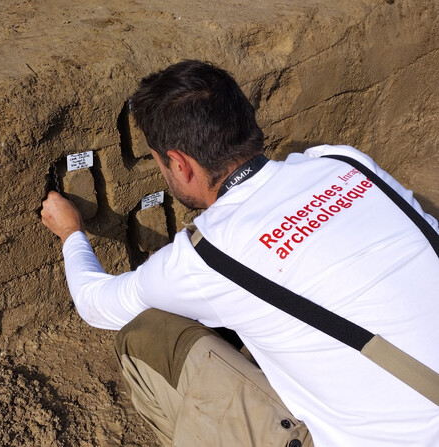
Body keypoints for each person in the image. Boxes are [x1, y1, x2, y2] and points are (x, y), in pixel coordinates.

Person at [40, 60, 439, 446]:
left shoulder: (211, 254)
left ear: (179, 164)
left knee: (148, 334)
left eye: (158, 162)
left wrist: (71, 231)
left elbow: (95, 304)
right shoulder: (346, 163)